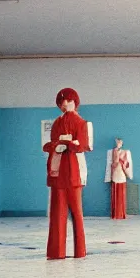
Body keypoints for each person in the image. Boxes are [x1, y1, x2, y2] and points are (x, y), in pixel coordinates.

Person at [42, 88, 92, 259]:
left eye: (68, 102)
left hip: (73, 172)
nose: (65, 106)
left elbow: (83, 145)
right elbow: (50, 144)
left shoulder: (81, 123)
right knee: (57, 215)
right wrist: (59, 144)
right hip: (58, 173)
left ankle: (79, 251)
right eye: (61, 104)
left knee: (77, 213)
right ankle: (57, 252)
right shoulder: (57, 123)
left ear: (74, 102)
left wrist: (66, 144)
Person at [104, 138, 133, 219]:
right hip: (115, 174)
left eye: (119, 142)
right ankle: (116, 214)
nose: (118, 144)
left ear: (122, 143)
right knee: (115, 194)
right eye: (117, 142)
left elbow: (125, 164)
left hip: (121, 175)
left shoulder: (125, 152)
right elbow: (115, 162)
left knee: (121, 194)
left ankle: (121, 214)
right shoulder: (114, 152)